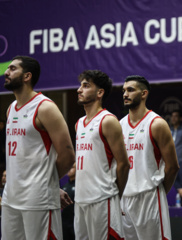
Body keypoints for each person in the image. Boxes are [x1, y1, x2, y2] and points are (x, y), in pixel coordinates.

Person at [1, 55, 75, 239]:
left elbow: (67, 155)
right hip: (11, 196)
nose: (6, 72)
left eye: (12, 69)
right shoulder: (11, 108)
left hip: (38, 199)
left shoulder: (45, 108)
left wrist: (47, 182)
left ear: (27, 76)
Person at [120, 75, 179, 240]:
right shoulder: (119, 125)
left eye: (130, 90)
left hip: (149, 196)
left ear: (144, 93)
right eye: (124, 90)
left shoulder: (157, 124)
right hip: (124, 198)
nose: (125, 94)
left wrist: (158, 192)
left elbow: (173, 166)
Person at [74, 70, 130, 239]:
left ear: (100, 92)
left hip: (102, 198)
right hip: (80, 199)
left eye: (86, 86)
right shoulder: (79, 124)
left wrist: (114, 195)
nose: (79, 90)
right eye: (80, 85)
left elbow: (124, 164)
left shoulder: (108, 120)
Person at [61, 163, 76, 240]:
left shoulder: (78, 185)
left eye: (72, 168)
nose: (69, 170)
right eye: (69, 168)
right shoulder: (64, 186)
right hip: (64, 221)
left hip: (74, 221)